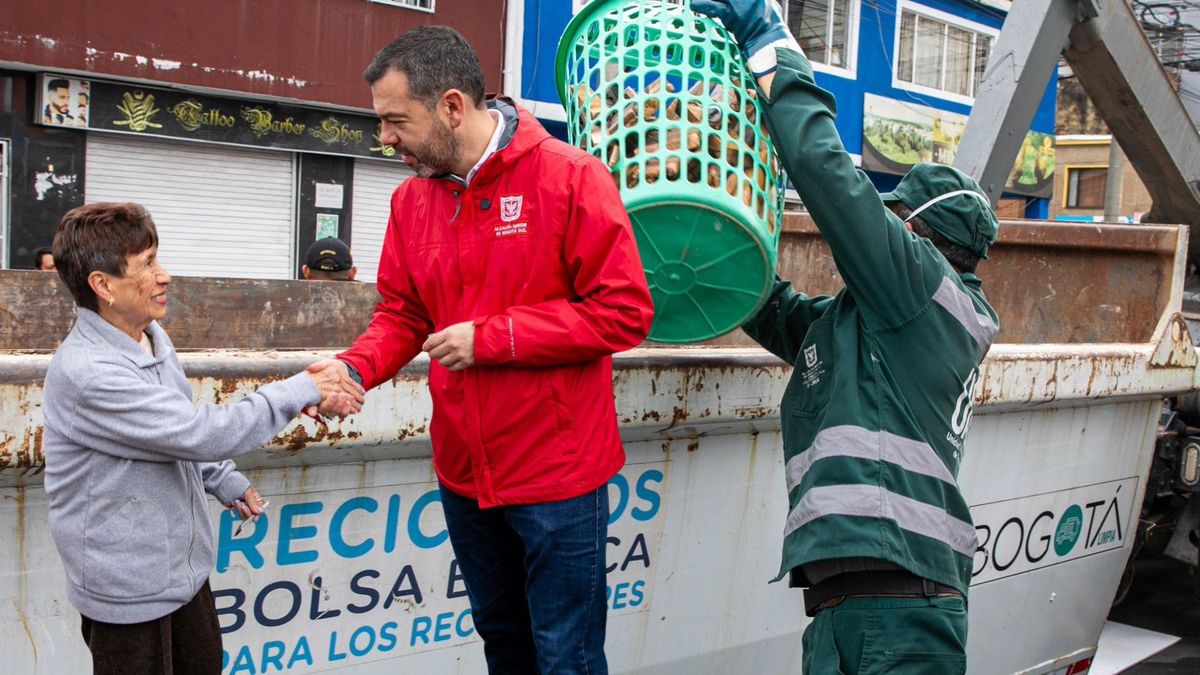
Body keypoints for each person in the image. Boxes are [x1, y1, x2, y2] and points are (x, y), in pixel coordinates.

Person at [306, 26, 654, 674]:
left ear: (453, 107)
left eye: (394, 121)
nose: (384, 139)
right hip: (466, 475)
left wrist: (495, 338)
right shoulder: (411, 202)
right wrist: (352, 366)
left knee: (566, 656)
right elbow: (403, 314)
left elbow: (624, 311)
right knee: (503, 641)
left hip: (558, 477)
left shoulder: (572, 177)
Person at [692, 2, 1000, 673]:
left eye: (888, 223)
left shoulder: (922, 290)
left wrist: (766, 39)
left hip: (900, 612)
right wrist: (700, 236)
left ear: (915, 236)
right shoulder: (872, 322)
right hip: (848, 610)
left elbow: (827, 172)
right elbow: (775, 310)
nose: (875, 234)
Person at [41, 202, 363, 675]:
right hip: (128, 591)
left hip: (183, 575)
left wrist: (222, 479)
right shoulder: (90, 372)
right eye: (147, 265)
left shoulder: (149, 337)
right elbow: (197, 433)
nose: (164, 275)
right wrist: (305, 387)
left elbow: (171, 430)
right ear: (103, 286)